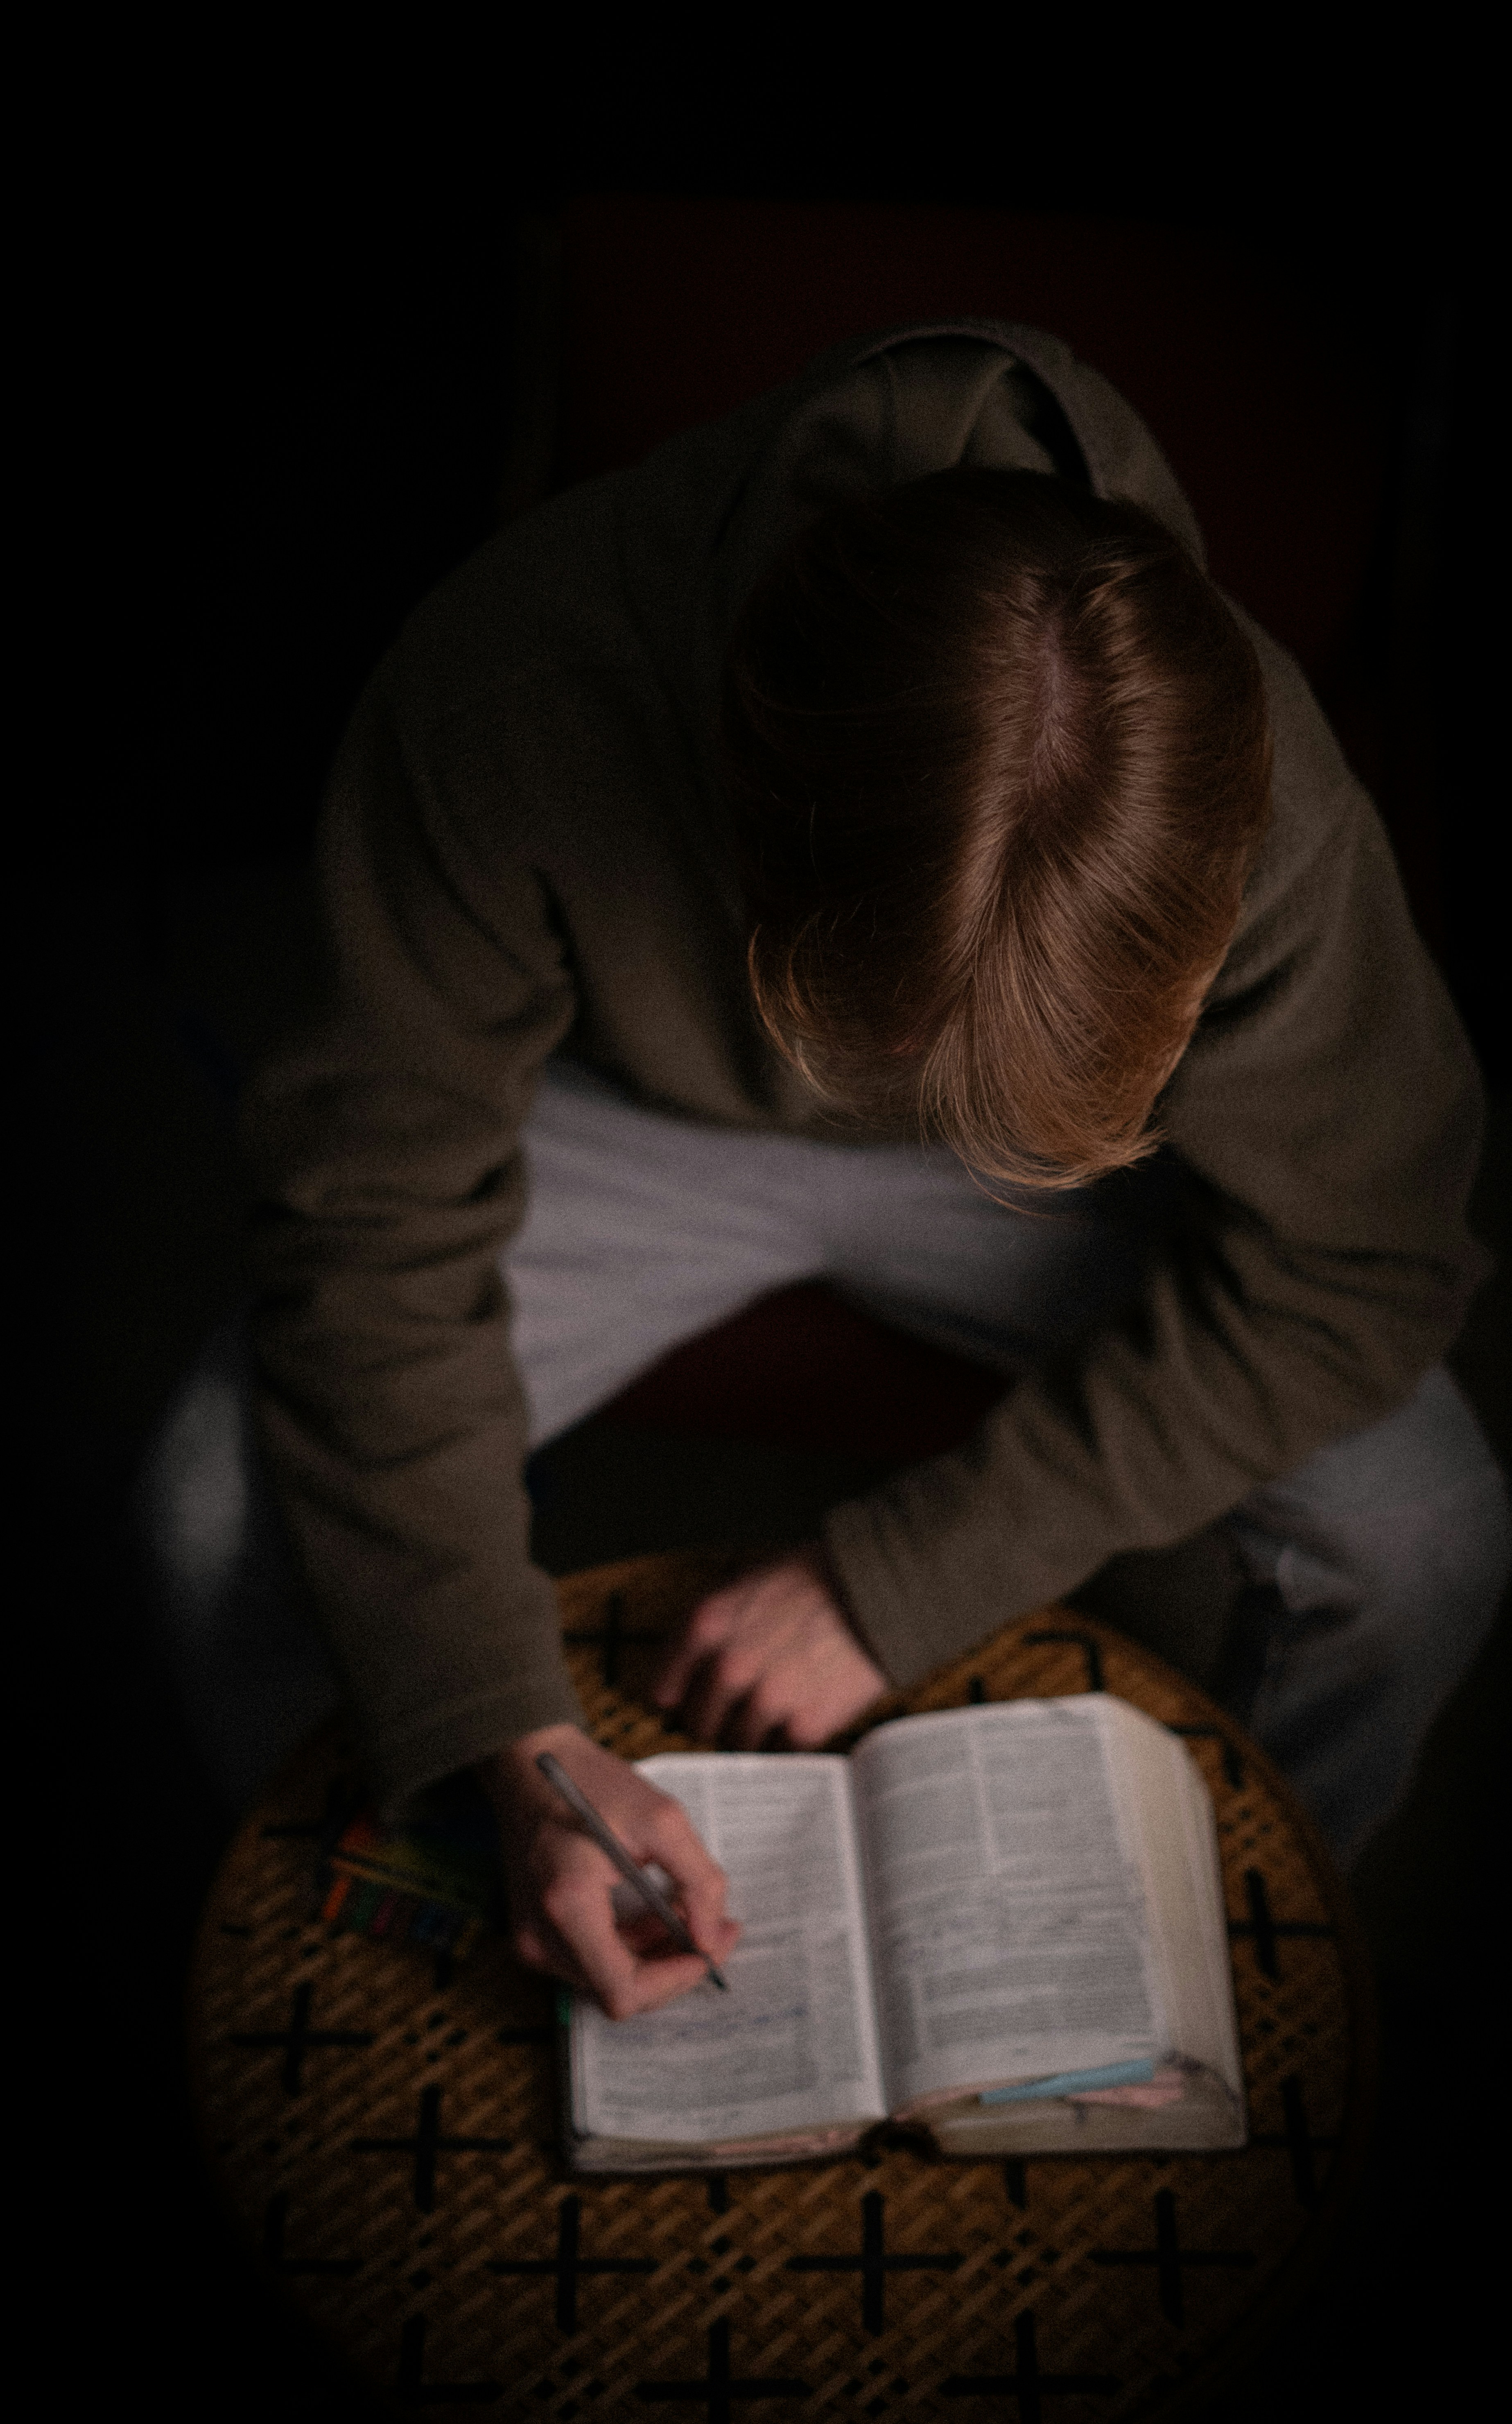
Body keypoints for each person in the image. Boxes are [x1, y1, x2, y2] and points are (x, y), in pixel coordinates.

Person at [147, 322, 1507, 2020]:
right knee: (216, 1482)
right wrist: (507, 1733)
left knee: (1432, 1529)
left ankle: (1229, 1995)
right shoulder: (515, 690)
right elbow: (370, 1224)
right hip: (638, 1103)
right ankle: (421, 1935)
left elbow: (1368, 1265)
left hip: (1079, 1188)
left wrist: (916, 1567)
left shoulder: (1259, 792)